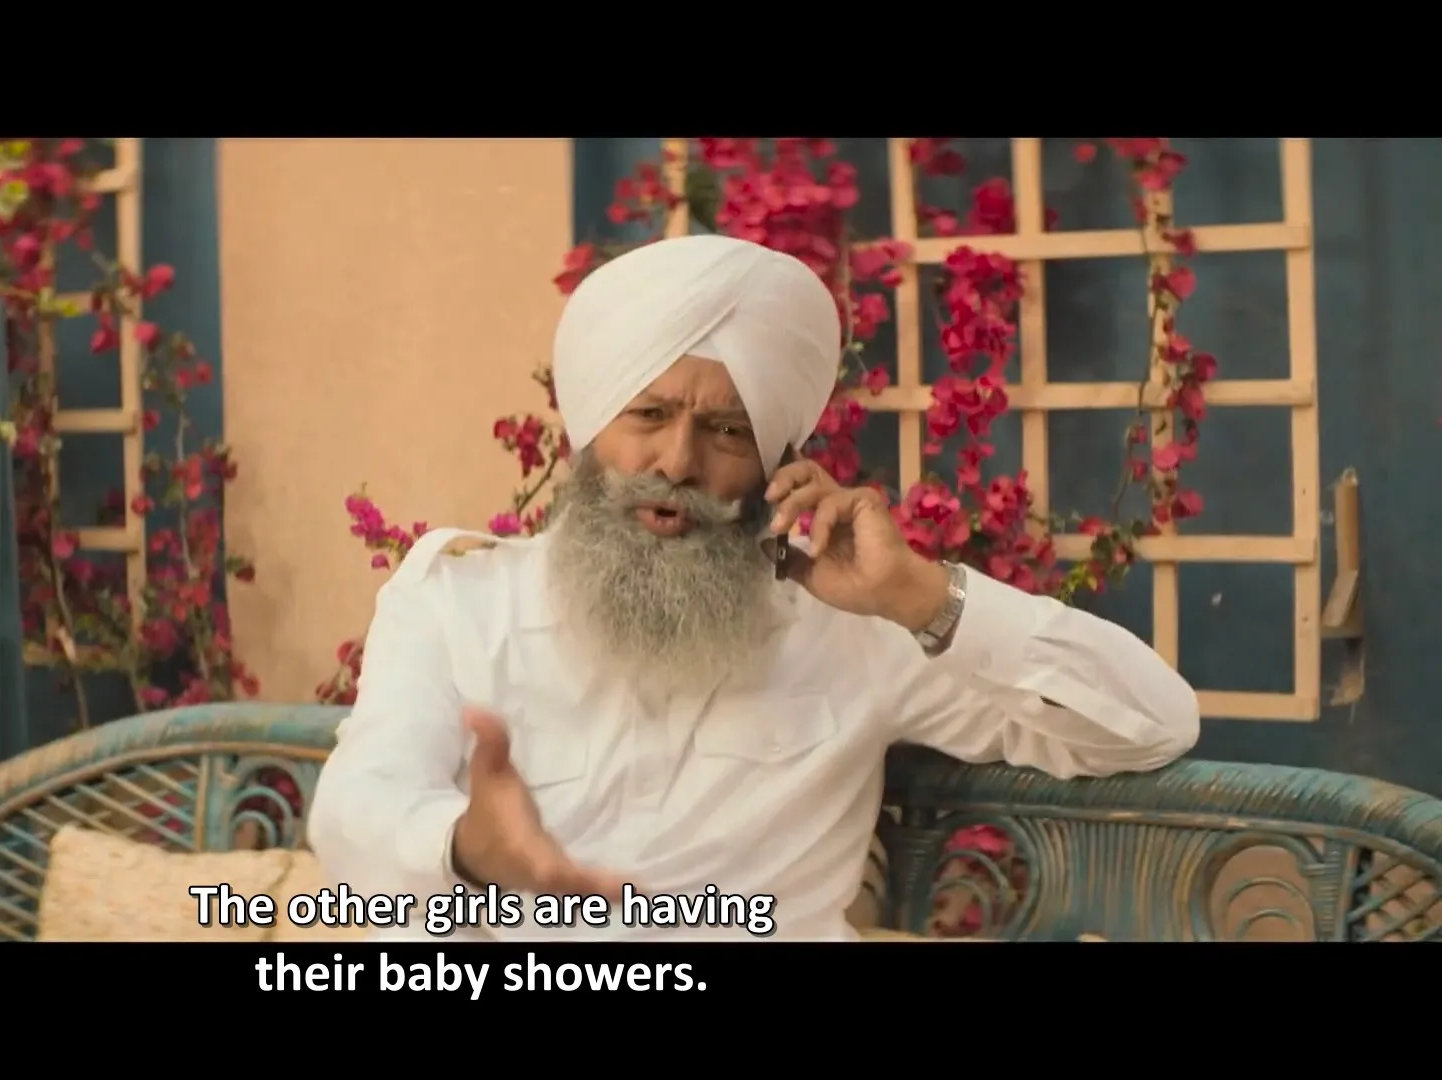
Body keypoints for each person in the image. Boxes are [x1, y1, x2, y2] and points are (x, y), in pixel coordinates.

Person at [307, 233, 1200, 942]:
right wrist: (464, 847)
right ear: (587, 428)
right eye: (648, 415)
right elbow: (356, 810)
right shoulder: (458, 599)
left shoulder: (858, 627)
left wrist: (924, 598)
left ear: (777, 463)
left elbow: (1150, 726)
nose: (677, 462)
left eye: (728, 431)